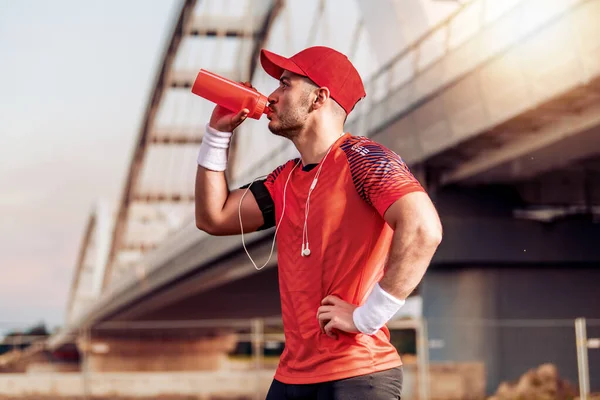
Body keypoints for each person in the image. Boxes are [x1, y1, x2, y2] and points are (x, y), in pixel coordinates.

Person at [194, 46, 443, 400]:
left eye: (285, 84)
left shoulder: (364, 157)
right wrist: (217, 134)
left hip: (357, 375)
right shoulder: (285, 179)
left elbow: (423, 229)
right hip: (291, 378)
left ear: (318, 99)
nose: (272, 96)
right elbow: (213, 216)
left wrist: (368, 317)